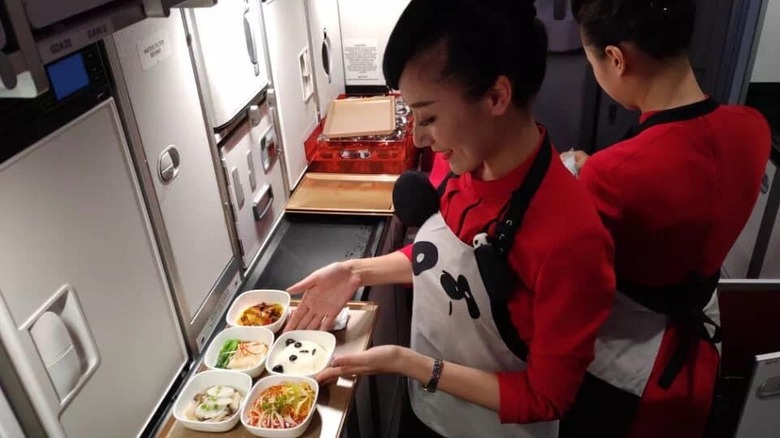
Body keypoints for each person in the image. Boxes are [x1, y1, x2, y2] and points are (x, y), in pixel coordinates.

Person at [285, 1, 616, 437]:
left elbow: (546, 396)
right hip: (427, 408)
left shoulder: (572, 239)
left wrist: (411, 364)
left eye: (430, 117)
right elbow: (442, 257)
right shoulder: (467, 165)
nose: (420, 137)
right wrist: (355, 271)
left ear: (497, 96)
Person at [558, 1, 772, 437]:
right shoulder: (752, 128)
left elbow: (567, 276)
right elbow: (679, 177)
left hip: (625, 373)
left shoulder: (609, 175)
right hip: (703, 352)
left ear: (616, 59)